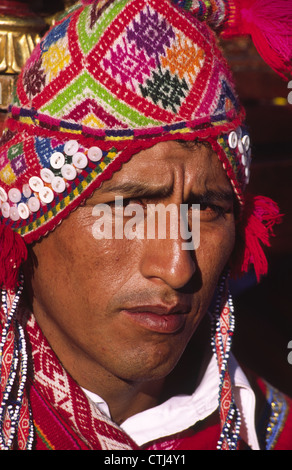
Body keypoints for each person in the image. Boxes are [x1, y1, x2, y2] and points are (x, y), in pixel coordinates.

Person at [0, 0, 291, 451]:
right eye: (128, 208)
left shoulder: (271, 432)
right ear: (27, 210)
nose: (178, 267)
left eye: (207, 210)